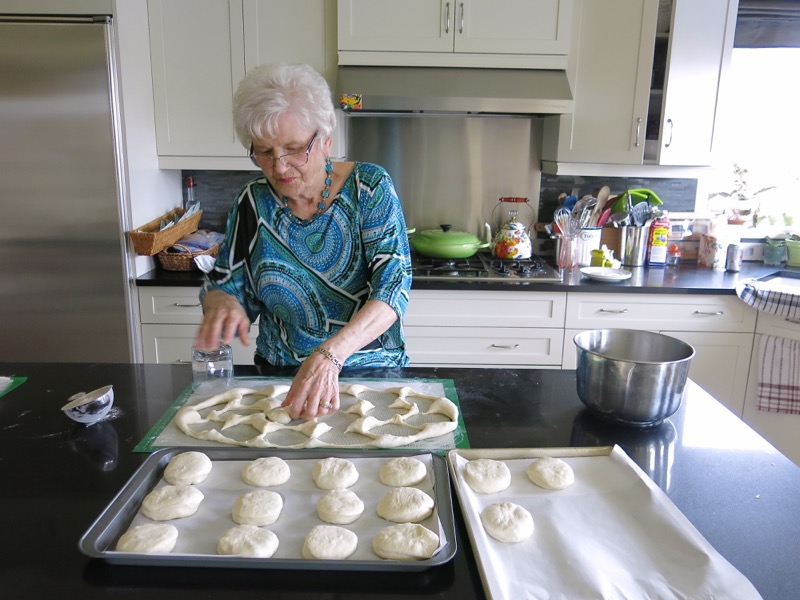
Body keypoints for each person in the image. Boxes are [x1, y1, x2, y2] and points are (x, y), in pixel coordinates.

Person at [194, 63, 412, 422]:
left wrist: (330, 356)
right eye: (263, 151)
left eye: (294, 148)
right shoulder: (252, 202)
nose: (279, 167)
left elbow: (393, 290)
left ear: (326, 139)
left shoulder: (369, 188)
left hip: (367, 378)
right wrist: (223, 303)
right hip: (279, 382)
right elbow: (224, 284)